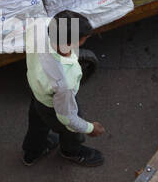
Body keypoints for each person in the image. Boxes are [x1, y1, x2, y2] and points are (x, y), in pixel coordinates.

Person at [22, 10, 105, 167]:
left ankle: (32, 152)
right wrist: (90, 128)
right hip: (53, 105)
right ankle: (70, 151)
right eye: (83, 39)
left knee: (37, 122)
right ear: (70, 44)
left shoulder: (38, 27)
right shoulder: (65, 79)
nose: (85, 40)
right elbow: (67, 118)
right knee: (70, 130)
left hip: (36, 90)